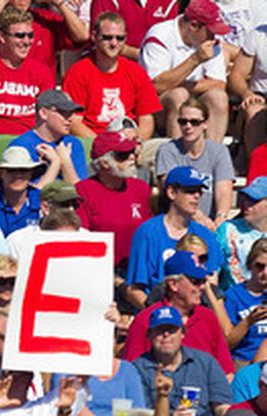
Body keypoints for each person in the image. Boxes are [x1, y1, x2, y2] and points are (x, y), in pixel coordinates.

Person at [130, 306, 231, 416]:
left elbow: (222, 406)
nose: (166, 335)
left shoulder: (205, 362)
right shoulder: (137, 369)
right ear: (149, 335)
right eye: (159, 331)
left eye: (171, 330)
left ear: (183, 333)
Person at [125, 166, 220, 310]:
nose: (197, 196)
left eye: (199, 191)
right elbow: (134, 289)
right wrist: (162, 317)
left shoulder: (206, 235)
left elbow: (212, 286)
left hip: (196, 314)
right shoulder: (147, 232)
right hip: (157, 313)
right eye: (190, 191)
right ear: (172, 193)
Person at [139, 0, 230, 143]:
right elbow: (155, 86)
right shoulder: (160, 36)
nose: (213, 37)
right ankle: (177, 158)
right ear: (193, 25)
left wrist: (179, 83)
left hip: (193, 100)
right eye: (210, 31)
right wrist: (195, 60)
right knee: (178, 95)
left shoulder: (211, 42)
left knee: (218, 98)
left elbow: (219, 84)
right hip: (158, 107)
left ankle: (212, 156)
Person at [62, 13, 160, 139]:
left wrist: (138, 141)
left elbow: (146, 119)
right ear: (94, 37)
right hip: (92, 140)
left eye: (120, 38)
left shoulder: (136, 71)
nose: (114, 43)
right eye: (107, 37)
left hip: (130, 140)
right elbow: (74, 122)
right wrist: (102, 144)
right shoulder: (79, 72)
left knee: (161, 150)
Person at [76, 132, 153, 274]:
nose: (131, 158)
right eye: (122, 155)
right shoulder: (83, 191)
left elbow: (152, 231)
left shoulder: (141, 188)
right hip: (99, 270)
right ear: (104, 163)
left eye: (132, 152)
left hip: (138, 269)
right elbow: (81, 237)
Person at [155, 98, 234, 229]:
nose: (188, 126)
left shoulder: (219, 151)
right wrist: (200, 217)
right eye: (183, 121)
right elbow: (172, 190)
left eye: (195, 122)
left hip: (211, 222)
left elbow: (224, 190)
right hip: (178, 222)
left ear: (206, 124)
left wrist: (221, 218)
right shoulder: (167, 150)